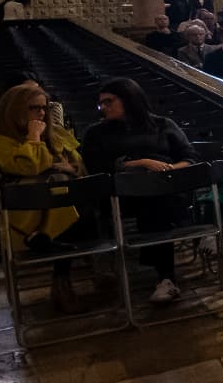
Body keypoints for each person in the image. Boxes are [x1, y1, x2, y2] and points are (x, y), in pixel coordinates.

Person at [82, 77, 198, 305]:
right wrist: (141, 163)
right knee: (154, 200)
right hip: (119, 197)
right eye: (101, 104)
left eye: (109, 102)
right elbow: (97, 168)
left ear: (129, 99)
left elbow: (191, 158)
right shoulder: (96, 133)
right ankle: (167, 276)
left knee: (156, 198)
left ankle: (166, 278)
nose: (103, 108)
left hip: (165, 189)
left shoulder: (163, 125)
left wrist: (168, 169)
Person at [0, 82, 84, 258]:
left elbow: (81, 164)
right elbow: (31, 167)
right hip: (30, 210)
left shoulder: (55, 133)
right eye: (34, 108)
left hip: (67, 201)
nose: (41, 113)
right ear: (15, 110)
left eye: (44, 108)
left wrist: (72, 168)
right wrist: (34, 137)